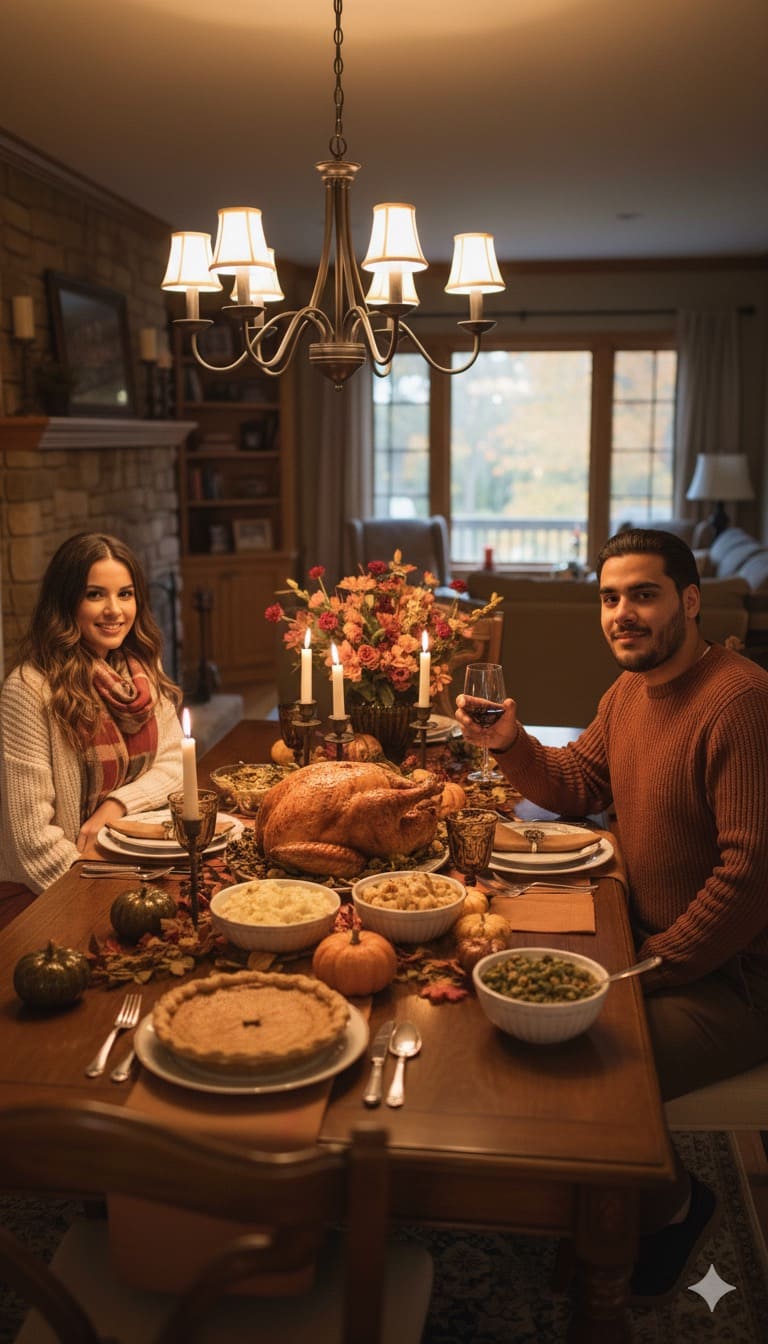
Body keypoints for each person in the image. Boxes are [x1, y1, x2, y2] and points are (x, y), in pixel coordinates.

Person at [456, 527, 768, 1303]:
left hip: (735, 983)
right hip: (654, 942)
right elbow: (578, 782)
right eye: (610, 597)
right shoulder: (631, 689)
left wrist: (648, 967)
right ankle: (593, 1205)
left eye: (643, 594)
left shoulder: (741, 701)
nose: (622, 613)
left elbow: (751, 872)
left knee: (574, 1063)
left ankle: (672, 1204)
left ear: (690, 602)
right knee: (511, 1008)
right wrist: (511, 742)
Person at [0, 533, 184, 901]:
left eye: (125, 594)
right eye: (95, 594)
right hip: (53, 887)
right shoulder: (28, 689)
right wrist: (95, 892)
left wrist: (115, 807)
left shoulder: (140, 671)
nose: (114, 610)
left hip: (131, 868)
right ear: (66, 602)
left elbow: (176, 763)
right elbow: (30, 843)